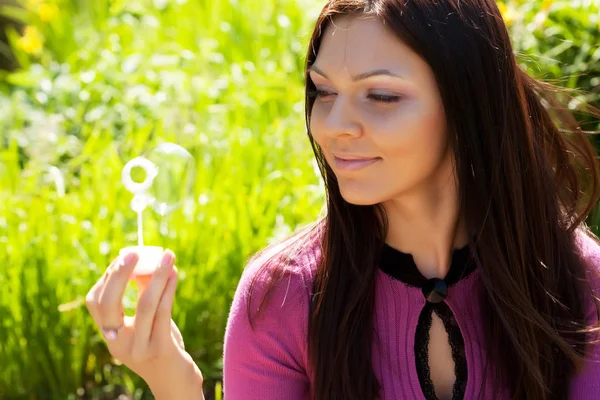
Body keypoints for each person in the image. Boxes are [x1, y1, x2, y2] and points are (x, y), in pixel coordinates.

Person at [85, 0, 600, 399]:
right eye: (323, 92)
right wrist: (173, 384)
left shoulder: (578, 280)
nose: (332, 127)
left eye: (381, 97)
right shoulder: (281, 298)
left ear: (469, 103)